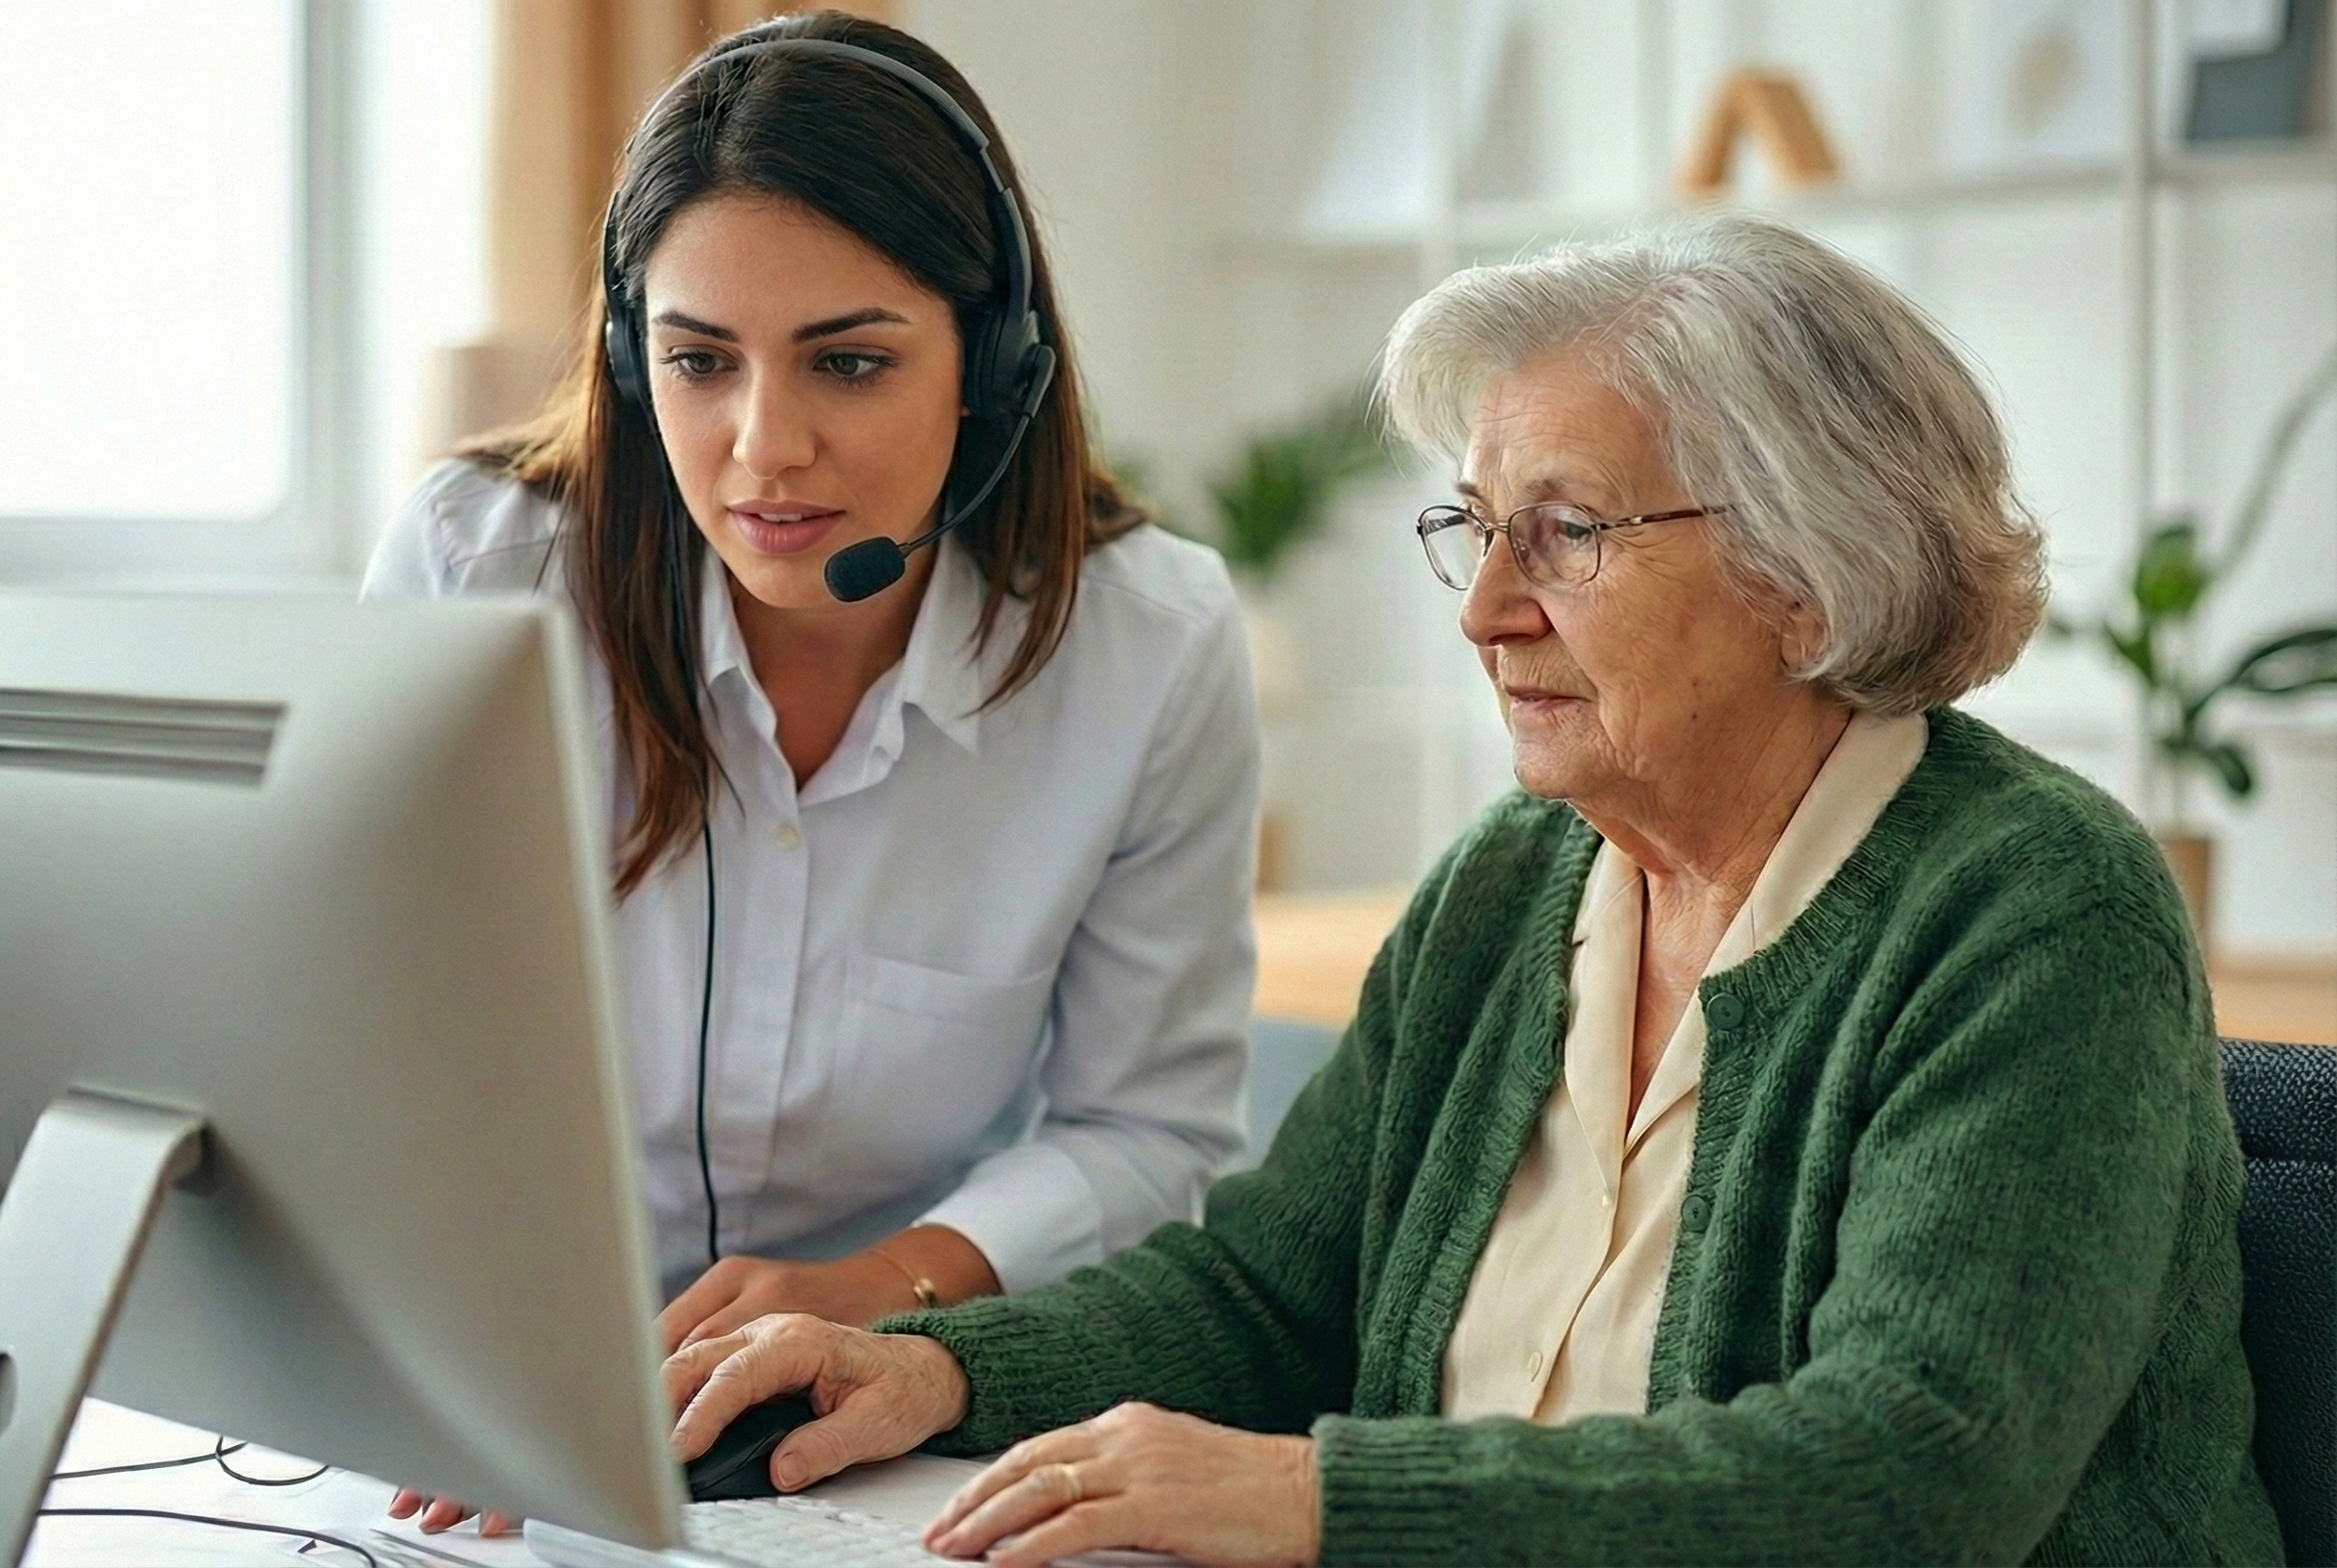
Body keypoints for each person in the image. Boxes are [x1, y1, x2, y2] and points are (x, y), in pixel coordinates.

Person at [665, 213, 2285, 1566]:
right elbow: (1265, 1295)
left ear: (1808, 579)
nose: (1486, 610)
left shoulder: (2038, 913)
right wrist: (925, 1372)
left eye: (1566, 534)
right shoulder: (1511, 889)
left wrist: (1320, 1498)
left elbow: (1912, 1471)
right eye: (1478, 529)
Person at [365, 13, 1257, 1530]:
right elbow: (369, 1040)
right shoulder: (477, 573)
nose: (763, 449)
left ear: (993, 366)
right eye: (699, 362)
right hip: (490, 1390)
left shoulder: (1149, 648)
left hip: (890, 1406)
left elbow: (1146, 1129)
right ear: (633, 369)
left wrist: (880, 1285)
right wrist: (460, 1329)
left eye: (847, 361)